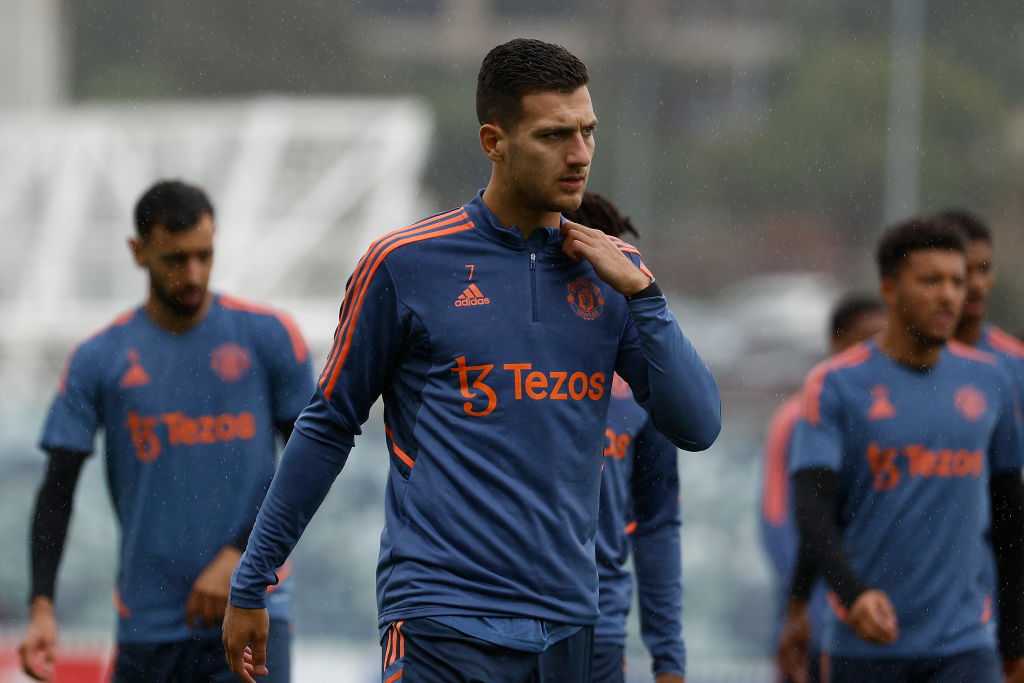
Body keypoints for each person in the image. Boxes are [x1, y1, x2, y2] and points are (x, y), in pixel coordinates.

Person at [222, 38, 722, 683]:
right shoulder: (404, 263)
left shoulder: (610, 277)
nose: (579, 154)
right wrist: (253, 580)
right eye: (554, 135)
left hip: (570, 625)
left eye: (588, 132)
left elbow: (698, 427)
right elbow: (327, 425)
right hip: (442, 619)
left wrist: (645, 296)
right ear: (494, 141)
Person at [18, 180, 314, 683]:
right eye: (176, 258)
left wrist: (241, 557)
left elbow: (309, 465)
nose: (193, 273)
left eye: (204, 255)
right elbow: (57, 489)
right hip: (147, 627)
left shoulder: (269, 336)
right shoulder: (98, 358)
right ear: (138, 252)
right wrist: (42, 606)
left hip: (250, 610)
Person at [779, 217, 1024, 683]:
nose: (949, 295)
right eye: (931, 281)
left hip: (966, 647)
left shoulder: (992, 381)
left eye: (956, 281)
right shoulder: (835, 385)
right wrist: (851, 596)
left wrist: (1015, 640)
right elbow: (814, 511)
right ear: (890, 289)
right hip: (867, 644)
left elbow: (1010, 519)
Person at [568, 192, 685, 683]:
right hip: (488, 625)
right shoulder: (498, 370)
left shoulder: (640, 389)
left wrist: (669, 658)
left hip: (597, 629)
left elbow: (656, 521)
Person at [762, 295, 885, 683]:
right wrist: (805, 606)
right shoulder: (797, 417)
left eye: (882, 339)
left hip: (870, 611)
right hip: (819, 612)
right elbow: (779, 520)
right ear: (837, 341)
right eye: (865, 338)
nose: (873, 350)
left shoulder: (889, 416)